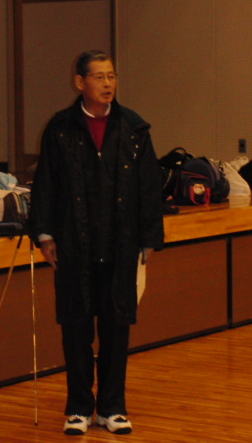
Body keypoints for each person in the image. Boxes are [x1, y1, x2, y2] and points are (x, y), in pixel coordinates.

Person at [28, 50, 164, 435]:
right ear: (80, 82)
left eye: (112, 76)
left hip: (121, 243)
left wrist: (148, 238)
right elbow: (46, 184)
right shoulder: (60, 128)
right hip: (74, 242)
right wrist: (45, 234)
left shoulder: (133, 128)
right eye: (99, 77)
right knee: (76, 326)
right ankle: (78, 408)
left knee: (117, 327)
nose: (107, 84)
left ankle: (113, 407)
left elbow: (149, 186)